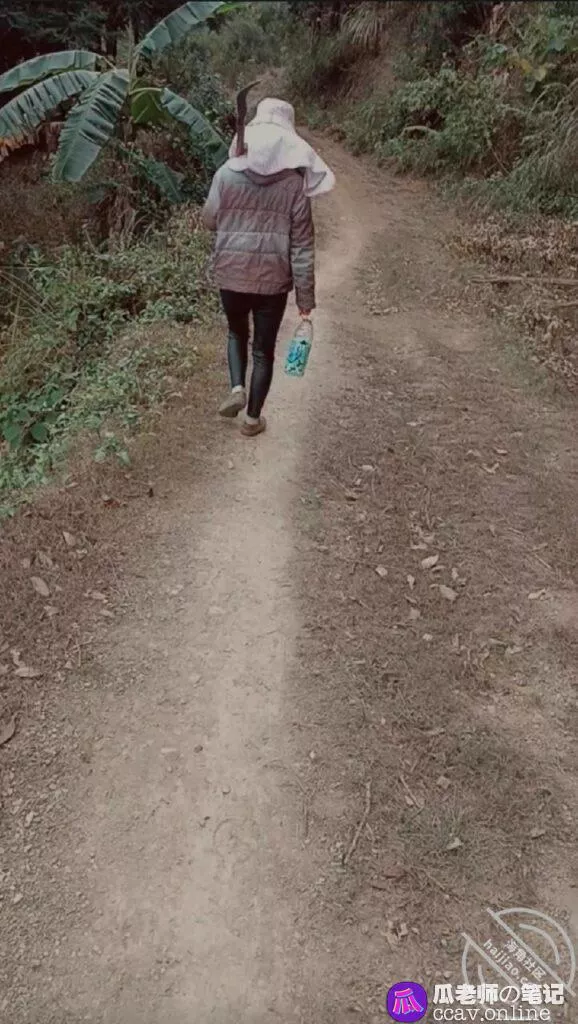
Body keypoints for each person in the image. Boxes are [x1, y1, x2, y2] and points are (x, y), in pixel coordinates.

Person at [202, 98, 335, 437]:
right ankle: (252, 419)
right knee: (263, 350)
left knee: (236, 333)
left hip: (231, 273)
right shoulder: (294, 187)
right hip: (271, 283)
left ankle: (237, 387)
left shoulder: (226, 174)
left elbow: (209, 220)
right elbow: (302, 248)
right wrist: (305, 301)